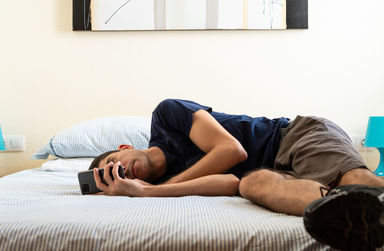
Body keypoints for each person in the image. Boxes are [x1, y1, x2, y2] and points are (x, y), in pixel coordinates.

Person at [89, 99, 384, 250]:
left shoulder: (166, 117)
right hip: (272, 172)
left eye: (116, 162)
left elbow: (232, 151)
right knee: (250, 185)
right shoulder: (168, 184)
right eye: (115, 175)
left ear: (124, 146)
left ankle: (363, 194)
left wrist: (160, 187)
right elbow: (231, 182)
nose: (122, 170)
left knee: (353, 180)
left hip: (293, 138)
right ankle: (363, 210)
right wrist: (147, 191)